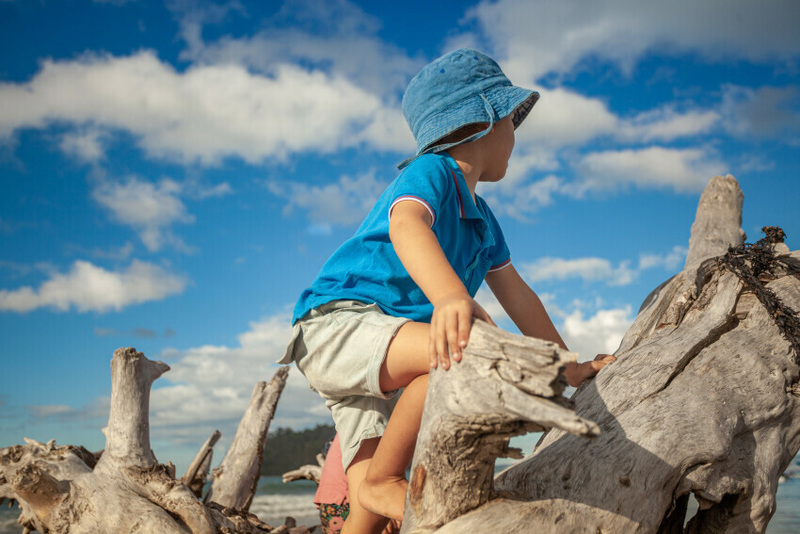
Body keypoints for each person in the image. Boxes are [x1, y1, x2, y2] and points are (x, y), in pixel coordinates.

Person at [280, 48, 615, 534]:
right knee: (467, 348)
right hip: (340, 325)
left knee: (366, 521)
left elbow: (519, 296)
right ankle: (385, 479)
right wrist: (452, 297)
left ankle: (377, 488)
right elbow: (406, 223)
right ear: (487, 121)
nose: (515, 138)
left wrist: (567, 367)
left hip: (385, 358)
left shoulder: (484, 223)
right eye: (512, 122)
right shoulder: (432, 174)